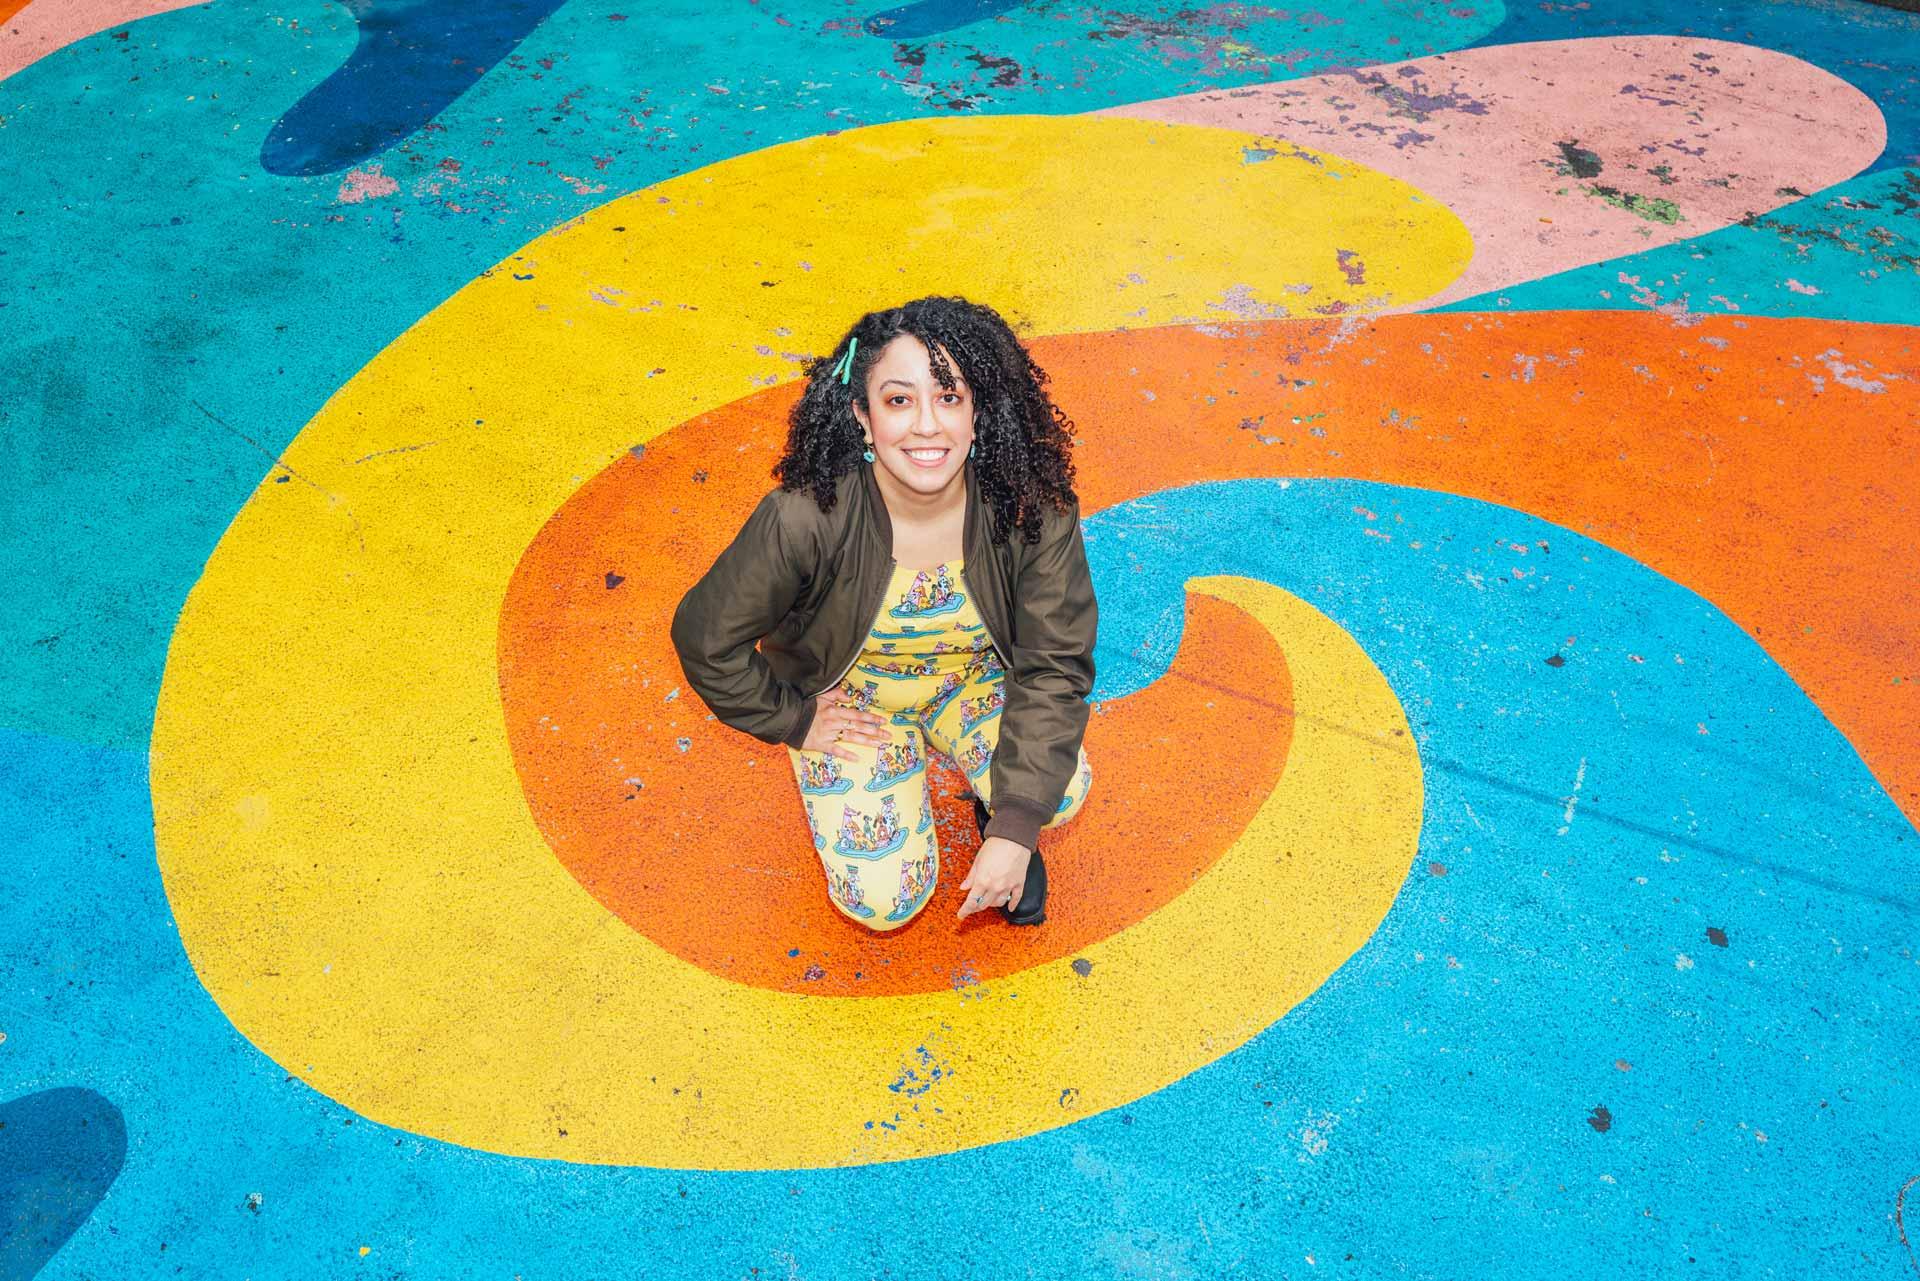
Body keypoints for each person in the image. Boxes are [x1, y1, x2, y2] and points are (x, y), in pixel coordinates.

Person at [669, 295, 1097, 929]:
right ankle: (920, 785)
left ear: (981, 411)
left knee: (1053, 790)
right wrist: (794, 718)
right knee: (884, 905)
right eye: (899, 400)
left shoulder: (1031, 509)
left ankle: (996, 810)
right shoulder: (804, 517)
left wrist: (1015, 828)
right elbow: (704, 638)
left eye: (950, 397)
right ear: (862, 418)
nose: (928, 425)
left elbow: (1055, 664)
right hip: (855, 707)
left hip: (972, 686)